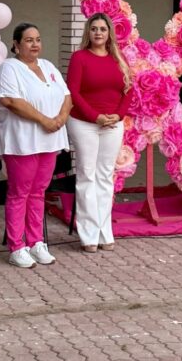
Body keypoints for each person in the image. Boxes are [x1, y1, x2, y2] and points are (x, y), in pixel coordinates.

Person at [0, 22, 72, 268]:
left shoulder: (48, 66)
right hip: (22, 142)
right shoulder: (9, 68)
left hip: (49, 140)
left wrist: (60, 119)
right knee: (20, 193)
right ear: (16, 44)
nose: (35, 44)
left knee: (39, 192)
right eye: (28, 40)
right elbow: (11, 101)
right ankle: (17, 246)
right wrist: (45, 120)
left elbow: (67, 96)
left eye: (37, 39)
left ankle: (36, 242)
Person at [66, 13, 132, 253]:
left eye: (103, 29)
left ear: (109, 33)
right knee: (87, 175)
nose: (98, 33)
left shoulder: (119, 58)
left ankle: (105, 232)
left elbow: (128, 90)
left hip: (113, 124)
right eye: (94, 28)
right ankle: (88, 236)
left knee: (105, 177)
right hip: (84, 123)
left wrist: (119, 115)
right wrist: (96, 117)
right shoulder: (79, 58)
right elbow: (73, 91)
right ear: (88, 32)